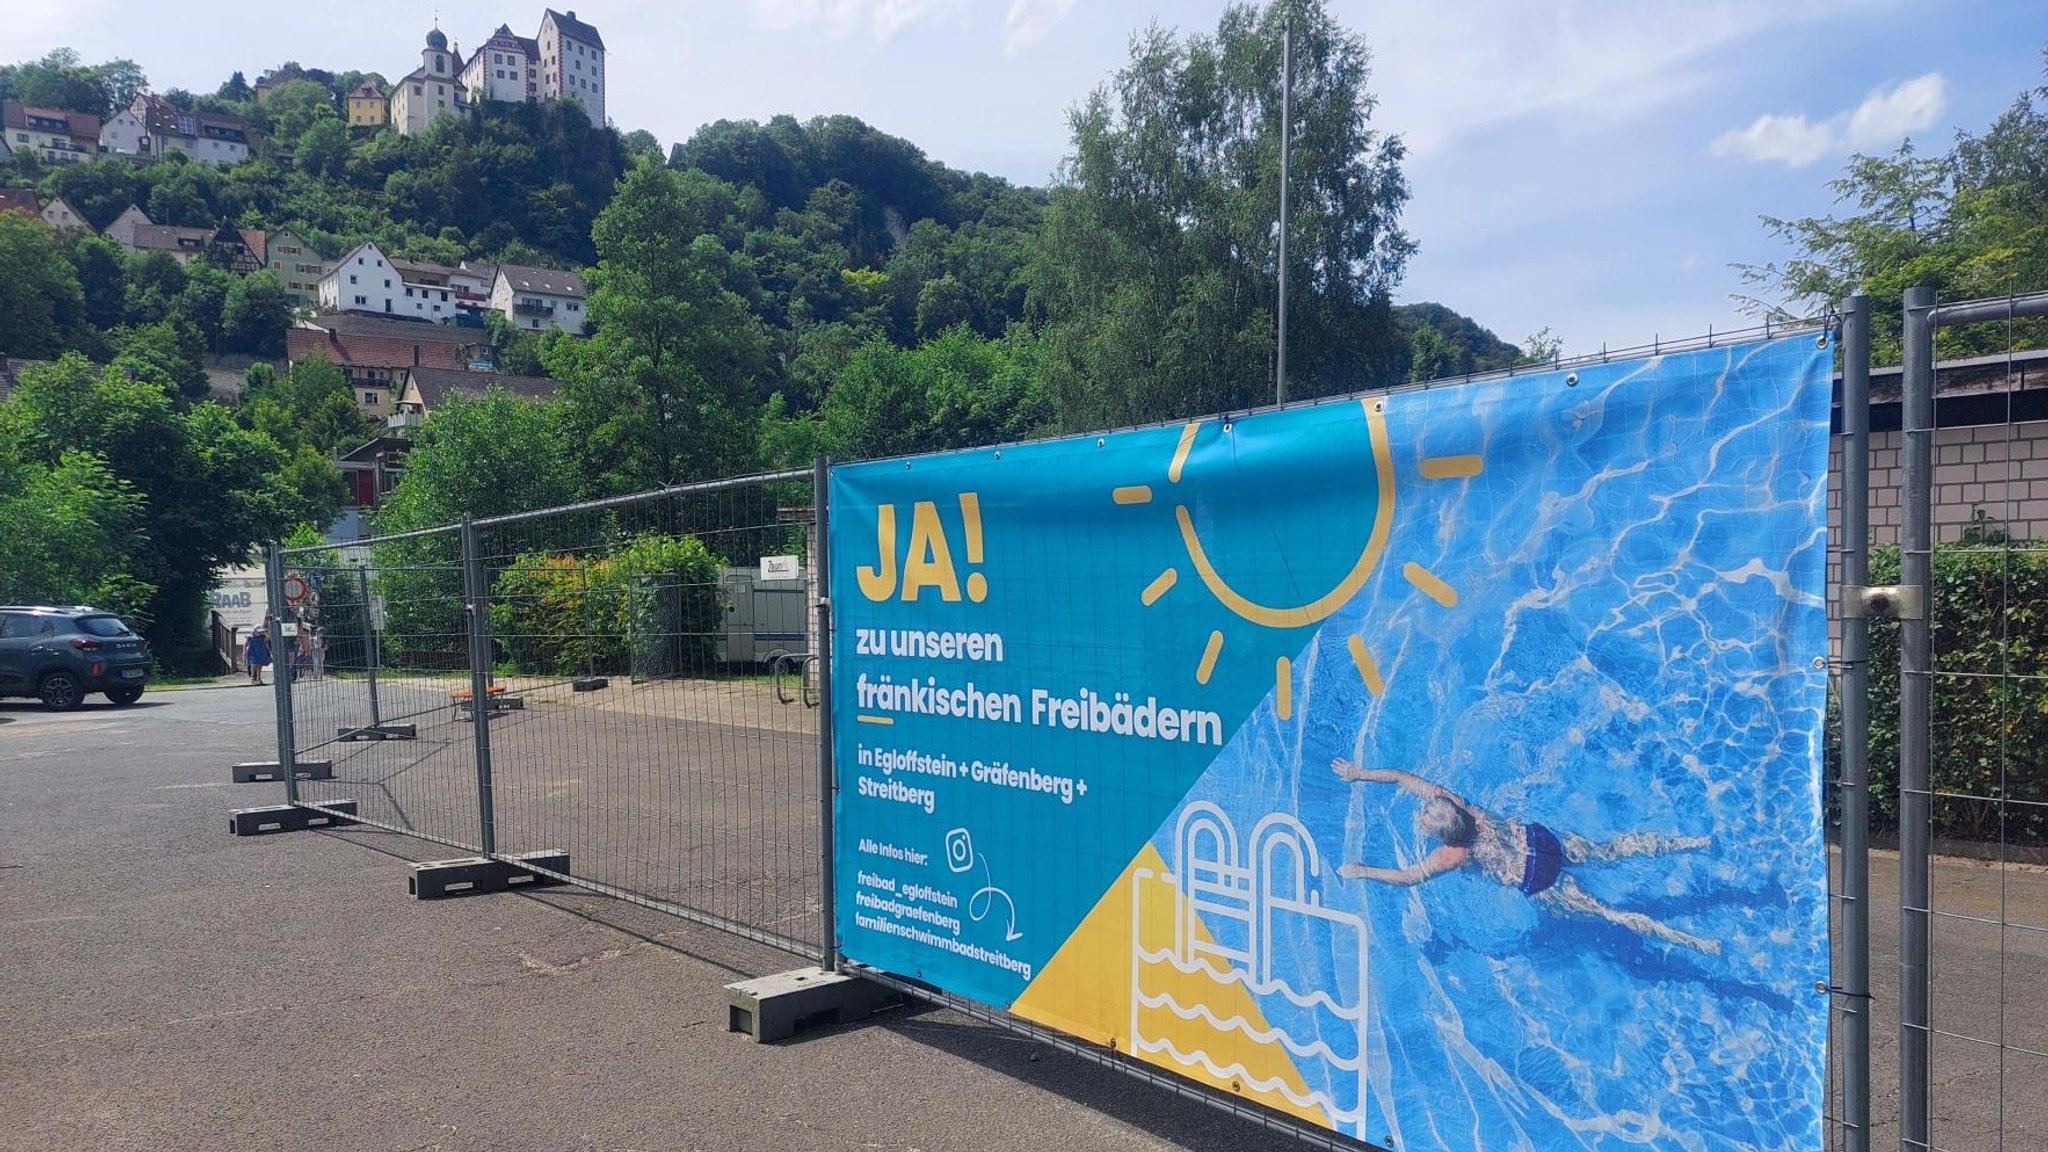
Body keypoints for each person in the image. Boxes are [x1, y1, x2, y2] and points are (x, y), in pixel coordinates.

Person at [1331, 759, 1720, 954]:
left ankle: (1694, 942)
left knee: (1610, 913)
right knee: (1611, 851)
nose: (1421, 815)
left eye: (1425, 819)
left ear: (1440, 835)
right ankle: (1691, 844)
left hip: (1534, 875)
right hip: (1538, 840)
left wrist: (1361, 869)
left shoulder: (1453, 856)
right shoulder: (1461, 806)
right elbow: (1401, 777)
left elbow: (1407, 877)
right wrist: (1360, 773)